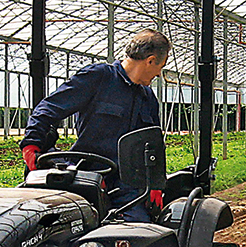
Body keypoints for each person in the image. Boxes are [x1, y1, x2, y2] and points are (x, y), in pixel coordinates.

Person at [20, 29, 169, 222]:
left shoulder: (148, 99)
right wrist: (32, 144)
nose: (158, 74)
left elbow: (153, 144)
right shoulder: (98, 78)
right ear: (150, 60)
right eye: (160, 66)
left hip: (127, 189)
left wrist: (156, 185)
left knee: (139, 232)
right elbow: (49, 108)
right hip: (86, 176)